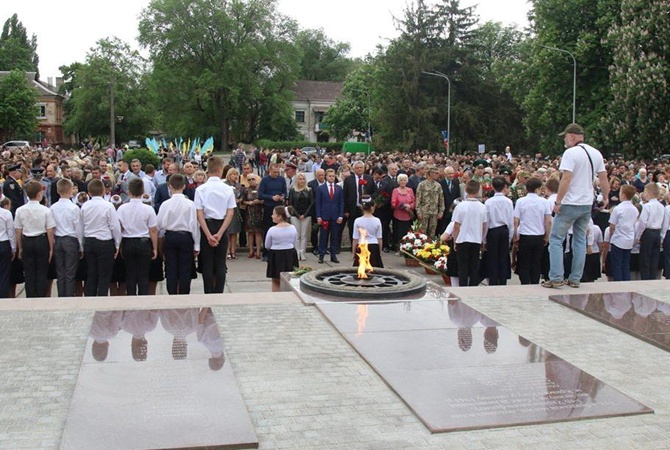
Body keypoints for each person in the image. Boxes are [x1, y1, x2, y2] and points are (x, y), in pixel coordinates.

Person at [543, 123, 609, 288]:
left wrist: (558, 201)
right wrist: (606, 197)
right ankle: (575, 278)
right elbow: (603, 178)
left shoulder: (570, 153)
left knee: (557, 240)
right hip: (586, 203)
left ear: (571, 136)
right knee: (579, 240)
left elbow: (566, 179)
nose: (565, 140)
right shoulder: (596, 153)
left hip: (570, 202)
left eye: (565, 136)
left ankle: (556, 277)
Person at [195, 156, 236, 294]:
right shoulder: (228, 189)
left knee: (207, 263)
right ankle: (219, 292)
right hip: (221, 225)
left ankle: (208, 292)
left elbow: (199, 214)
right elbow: (230, 213)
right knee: (220, 263)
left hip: (206, 224)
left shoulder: (200, 189)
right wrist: (220, 233)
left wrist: (207, 234)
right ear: (220, 170)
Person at [157, 174, 200, 295]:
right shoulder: (190, 204)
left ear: (169, 186)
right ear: (184, 186)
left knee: (171, 268)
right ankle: (184, 294)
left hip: (170, 236)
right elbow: (194, 225)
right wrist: (197, 244)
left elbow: (159, 224)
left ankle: (172, 295)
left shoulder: (165, 204)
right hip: (185, 237)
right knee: (185, 268)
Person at [117, 178, 158, 296]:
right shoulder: (148, 209)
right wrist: (155, 248)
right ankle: (143, 299)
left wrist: (118, 245)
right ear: (142, 192)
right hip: (144, 242)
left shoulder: (122, 208)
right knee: (143, 274)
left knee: (130, 273)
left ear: (128, 192)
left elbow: (119, 228)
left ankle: (131, 298)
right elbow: (153, 230)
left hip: (128, 242)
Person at [14, 181, 56, 298]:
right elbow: (50, 230)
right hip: (41, 240)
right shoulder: (45, 210)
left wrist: (20, 247)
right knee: (42, 271)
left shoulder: (20, 210)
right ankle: (41, 296)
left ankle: (30, 296)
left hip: (27, 240)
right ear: (39, 194)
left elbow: (18, 230)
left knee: (29, 272)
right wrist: (51, 248)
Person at [81, 179, 122, 296]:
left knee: (91, 274)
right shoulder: (108, 206)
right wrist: (117, 243)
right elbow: (115, 226)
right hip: (104, 242)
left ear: (89, 192)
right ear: (104, 191)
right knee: (104, 275)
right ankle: (102, 300)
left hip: (89, 241)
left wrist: (82, 243)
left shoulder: (85, 206)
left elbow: (81, 225)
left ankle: (90, 299)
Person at [513, 177, 552, 285]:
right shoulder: (544, 202)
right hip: (538, 235)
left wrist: (515, 236)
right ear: (538, 189)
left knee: (524, 261)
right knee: (536, 261)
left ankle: (525, 283)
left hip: (525, 235)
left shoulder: (521, 201)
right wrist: (547, 236)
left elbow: (516, 221)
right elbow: (548, 221)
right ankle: (534, 282)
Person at [50, 179, 83, 297]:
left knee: (60, 272)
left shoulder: (53, 207)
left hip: (58, 239)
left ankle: (61, 296)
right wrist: (81, 246)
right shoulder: (74, 208)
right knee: (70, 272)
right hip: (70, 239)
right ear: (70, 191)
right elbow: (78, 228)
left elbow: (51, 227)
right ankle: (68, 297)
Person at [452, 180, 487, 287]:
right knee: (474, 266)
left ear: (466, 190)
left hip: (462, 239)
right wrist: (483, 240)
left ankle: (462, 287)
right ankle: (473, 287)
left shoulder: (460, 206)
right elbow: (484, 225)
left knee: (462, 267)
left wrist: (454, 240)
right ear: (478, 191)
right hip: (476, 239)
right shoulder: (482, 206)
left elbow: (456, 226)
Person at [485, 176, 514, 285]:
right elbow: (511, 220)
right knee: (503, 257)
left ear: (492, 187)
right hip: (504, 231)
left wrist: (484, 238)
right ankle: (502, 280)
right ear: (504, 187)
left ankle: (493, 280)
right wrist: (510, 236)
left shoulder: (489, 202)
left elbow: (487, 220)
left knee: (493, 257)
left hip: (493, 231)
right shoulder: (508, 202)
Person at [608, 185, 638, 281]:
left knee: (617, 264)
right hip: (629, 239)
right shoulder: (635, 209)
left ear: (624, 195)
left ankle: (619, 283)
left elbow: (612, 225)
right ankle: (626, 282)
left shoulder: (618, 208)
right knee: (625, 264)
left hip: (618, 239)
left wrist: (612, 234)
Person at [265, 206, 298, 292]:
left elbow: (267, 245)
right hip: (290, 254)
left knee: (276, 280)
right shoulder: (293, 228)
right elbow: (294, 242)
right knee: (289, 278)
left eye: (273, 214)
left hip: (276, 255)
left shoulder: (272, 230)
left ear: (279, 216)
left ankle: (277, 297)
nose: (272, 216)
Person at [258, 163, 286, 261]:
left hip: (279, 207)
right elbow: (260, 194)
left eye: (278, 172)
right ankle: (266, 253)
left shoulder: (282, 179)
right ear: (270, 171)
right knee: (267, 230)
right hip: (269, 207)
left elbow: (285, 192)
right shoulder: (265, 180)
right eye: (274, 172)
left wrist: (282, 196)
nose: (276, 174)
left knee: (280, 230)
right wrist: (271, 197)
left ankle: (278, 251)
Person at [315, 169, 344, 264]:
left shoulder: (338, 188)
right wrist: (318, 216)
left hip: (335, 216)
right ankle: (321, 255)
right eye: (329, 176)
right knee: (323, 236)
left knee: (334, 236)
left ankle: (333, 255)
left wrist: (340, 216)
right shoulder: (320, 188)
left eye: (333, 176)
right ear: (326, 177)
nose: (331, 177)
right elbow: (318, 203)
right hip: (324, 216)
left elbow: (341, 203)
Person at [636, 182, 664, 280]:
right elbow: (663, 223)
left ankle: (645, 279)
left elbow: (642, 222)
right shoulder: (661, 206)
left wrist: (638, 236)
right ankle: (652, 278)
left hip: (648, 233)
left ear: (650, 194)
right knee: (654, 259)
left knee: (645, 258)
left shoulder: (647, 206)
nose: (644, 194)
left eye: (645, 192)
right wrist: (662, 237)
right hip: (657, 233)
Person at [287, 173, 314, 261]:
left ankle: (302, 252)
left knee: (304, 234)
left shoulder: (309, 190)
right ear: (296, 180)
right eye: (300, 179)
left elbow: (311, 203)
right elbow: (290, 204)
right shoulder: (292, 190)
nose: (301, 181)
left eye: (303, 179)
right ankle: (297, 252)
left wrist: (305, 214)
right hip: (295, 215)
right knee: (296, 234)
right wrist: (297, 215)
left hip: (306, 215)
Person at [352, 200, 384, 268]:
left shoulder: (357, 220)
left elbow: (355, 239)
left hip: (361, 245)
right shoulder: (377, 220)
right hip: (374, 246)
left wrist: (353, 252)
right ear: (372, 208)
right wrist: (380, 252)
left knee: (360, 268)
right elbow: (379, 238)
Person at [415, 167, 445, 237]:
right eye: (436, 173)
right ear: (430, 174)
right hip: (424, 212)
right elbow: (418, 199)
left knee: (432, 232)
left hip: (434, 212)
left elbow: (441, 200)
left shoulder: (438, 185)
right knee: (422, 233)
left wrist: (441, 212)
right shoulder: (422, 184)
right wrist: (418, 212)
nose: (437, 175)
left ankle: (431, 247)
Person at [391, 174, 415, 254]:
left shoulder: (410, 190)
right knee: (398, 233)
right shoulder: (395, 191)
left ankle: (407, 250)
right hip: (398, 215)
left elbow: (414, 202)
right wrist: (402, 206)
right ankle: (398, 249)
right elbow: (393, 203)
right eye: (401, 180)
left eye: (404, 180)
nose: (403, 182)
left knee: (407, 233)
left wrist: (409, 206)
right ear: (398, 181)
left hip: (408, 215)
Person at [223, 168, 243, 260]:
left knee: (234, 231)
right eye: (233, 174)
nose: (235, 176)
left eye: (236, 174)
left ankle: (233, 251)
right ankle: (226, 251)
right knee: (227, 231)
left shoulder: (238, 185)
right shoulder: (224, 185)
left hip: (236, 210)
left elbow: (242, 196)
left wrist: (239, 200)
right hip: (226, 210)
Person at [0, 197, 15, 298]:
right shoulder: (5, 213)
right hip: (3, 243)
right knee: (4, 274)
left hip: (4, 243)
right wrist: (13, 248)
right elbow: (10, 232)